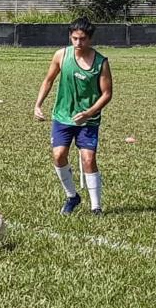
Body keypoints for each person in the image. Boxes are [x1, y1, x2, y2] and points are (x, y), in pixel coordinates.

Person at [34, 17, 113, 216]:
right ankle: (72, 196)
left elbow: (107, 93)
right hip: (63, 116)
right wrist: (38, 104)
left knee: (88, 159)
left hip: (89, 120)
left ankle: (96, 207)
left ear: (90, 39)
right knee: (59, 155)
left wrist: (88, 112)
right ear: (70, 37)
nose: (78, 43)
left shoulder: (101, 62)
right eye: (75, 38)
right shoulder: (61, 55)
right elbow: (48, 80)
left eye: (83, 39)